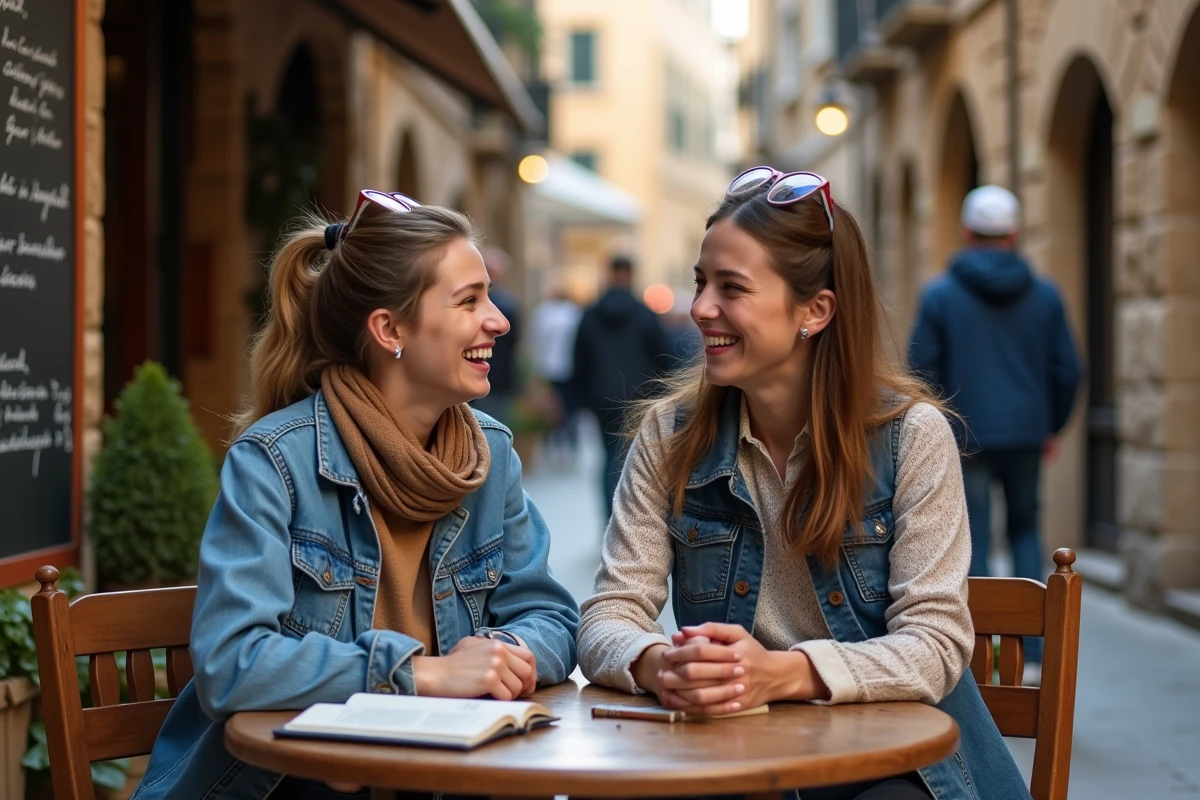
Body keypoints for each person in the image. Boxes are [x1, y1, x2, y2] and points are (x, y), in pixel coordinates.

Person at [577, 168, 1031, 800]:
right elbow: (610, 612)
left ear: (814, 311)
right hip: (733, 764)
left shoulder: (912, 437)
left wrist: (783, 674)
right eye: (701, 283)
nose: (700, 308)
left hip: (893, 770)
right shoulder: (670, 434)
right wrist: (660, 664)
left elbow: (935, 645)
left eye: (731, 288)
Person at [132, 192, 579, 800]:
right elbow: (230, 663)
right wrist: (421, 673)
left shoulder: (490, 455)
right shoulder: (276, 461)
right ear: (389, 329)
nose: (498, 320)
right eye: (470, 300)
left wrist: (506, 650)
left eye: (489, 297)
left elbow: (551, 615)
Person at [908, 184, 1082, 668]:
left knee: (975, 537)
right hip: (1027, 433)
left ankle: (988, 650)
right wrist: (1051, 426)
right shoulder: (1045, 296)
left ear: (966, 231)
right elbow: (1068, 371)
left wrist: (935, 429)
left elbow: (920, 371)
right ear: (1015, 233)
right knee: (1027, 529)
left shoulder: (940, 294)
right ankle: (1035, 649)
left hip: (964, 435)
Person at [572, 255, 672, 519]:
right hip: (638, 398)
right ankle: (629, 521)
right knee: (632, 459)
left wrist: (582, 399)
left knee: (607, 459)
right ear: (629, 275)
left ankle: (610, 521)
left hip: (601, 398)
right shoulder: (645, 315)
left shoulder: (590, 315)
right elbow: (663, 357)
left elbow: (579, 359)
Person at [529, 284, 583, 464]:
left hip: (564, 368)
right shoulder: (554, 312)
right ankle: (556, 445)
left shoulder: (565, 312)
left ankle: (565, 445)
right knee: (554, 408)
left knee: (564, 409)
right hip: (552, 368)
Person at [471, 247, 522, 427]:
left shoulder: (507, 304)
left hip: (496, 377)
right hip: (494, 375)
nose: (500, 325)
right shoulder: (508, 304)